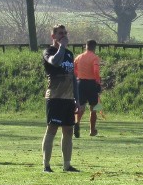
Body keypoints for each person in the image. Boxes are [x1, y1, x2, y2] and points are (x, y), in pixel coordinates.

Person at [42, 24, 79, 172]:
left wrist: (77, 99)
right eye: (60, 34)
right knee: (52, 129)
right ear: (53, 36)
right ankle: (46, 165)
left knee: (68, 131)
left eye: (65, 33)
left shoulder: (70, 54)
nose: (63, 35)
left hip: (68, 99)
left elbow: (73, 76)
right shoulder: (48, 51)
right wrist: (61, 47)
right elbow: (55, 62)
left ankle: (67, 165)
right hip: (55, 97)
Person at [73, 39, 101, 137]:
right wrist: (98, 81)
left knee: (80, 106)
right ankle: (92, 130)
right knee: (94, 108)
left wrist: (78, 76)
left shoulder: (79, 57)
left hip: (80, 83)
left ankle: (76, 123)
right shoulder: (95, 58)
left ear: (86, 46)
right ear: (94, 47)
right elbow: (96, 70)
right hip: (91, 83)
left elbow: (74, 69)